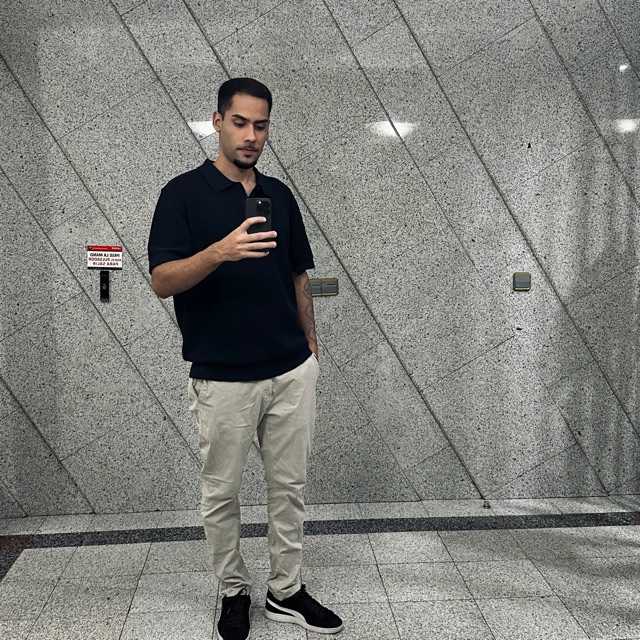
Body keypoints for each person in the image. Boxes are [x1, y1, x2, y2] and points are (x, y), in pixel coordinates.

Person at [147, 77, 344, 640]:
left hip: (290, 370)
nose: (251, 136)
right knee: (222, 494)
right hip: (222, 376)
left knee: (289, 488)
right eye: (240, 123)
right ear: (217, 122)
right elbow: (162, 280)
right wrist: (219, 251)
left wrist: (310, 344)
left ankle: (286, 590)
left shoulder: (279, 195)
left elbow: (298, 273)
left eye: (261, 125)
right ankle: (234, 592)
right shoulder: (181, 194)